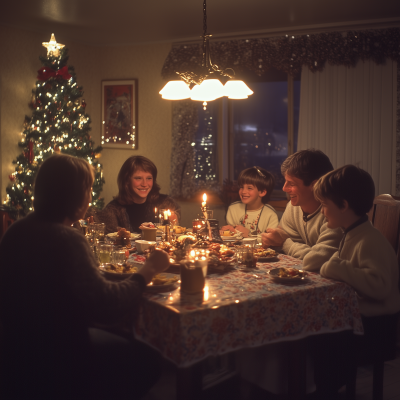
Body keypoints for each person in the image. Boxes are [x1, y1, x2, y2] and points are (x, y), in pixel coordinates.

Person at [0, 154, 170, 400]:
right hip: (59, 354)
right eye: (88, 189)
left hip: (17, 346)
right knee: (150, 362)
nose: (90, 197)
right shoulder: (66, 238)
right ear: (71, 195)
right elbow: (107, 306)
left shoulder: (18, 229)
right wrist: (149, 270)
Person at [312, 165, 400, 399]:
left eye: (324, 205)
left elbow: (380, 286)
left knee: (322, 338)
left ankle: (326, 389)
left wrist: (339, 268)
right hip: (360, 320)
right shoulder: (351, 233)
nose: (322, 212)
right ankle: (323, 386)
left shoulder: (370, 240)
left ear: (343, 205)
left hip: (377, 327)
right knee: (317, 330)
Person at [261, 149, 342, 271]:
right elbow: (282, 244)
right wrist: (274, 240)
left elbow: (320, 260)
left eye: (291, 184)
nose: (284, 188)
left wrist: (284, 242)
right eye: (285, 181)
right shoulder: (294, 207)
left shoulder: (335, 212)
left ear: (315, 185)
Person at [94, 155, 180, 234]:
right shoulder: (113, 211)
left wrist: (174, 221)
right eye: (138, 178)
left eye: (149, 178)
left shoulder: (165, 204)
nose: (145, 184)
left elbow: (174, 232)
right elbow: (110, 241)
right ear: (127, 180)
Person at [220, 166, 278, 243]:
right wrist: (228, 232)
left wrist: (249, 235)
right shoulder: (233, 209)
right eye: (241, 187)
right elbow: (232, 239)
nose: (243, 191)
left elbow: (271, 241)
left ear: (262, 192)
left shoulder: (270, 215)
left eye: (249, 188)